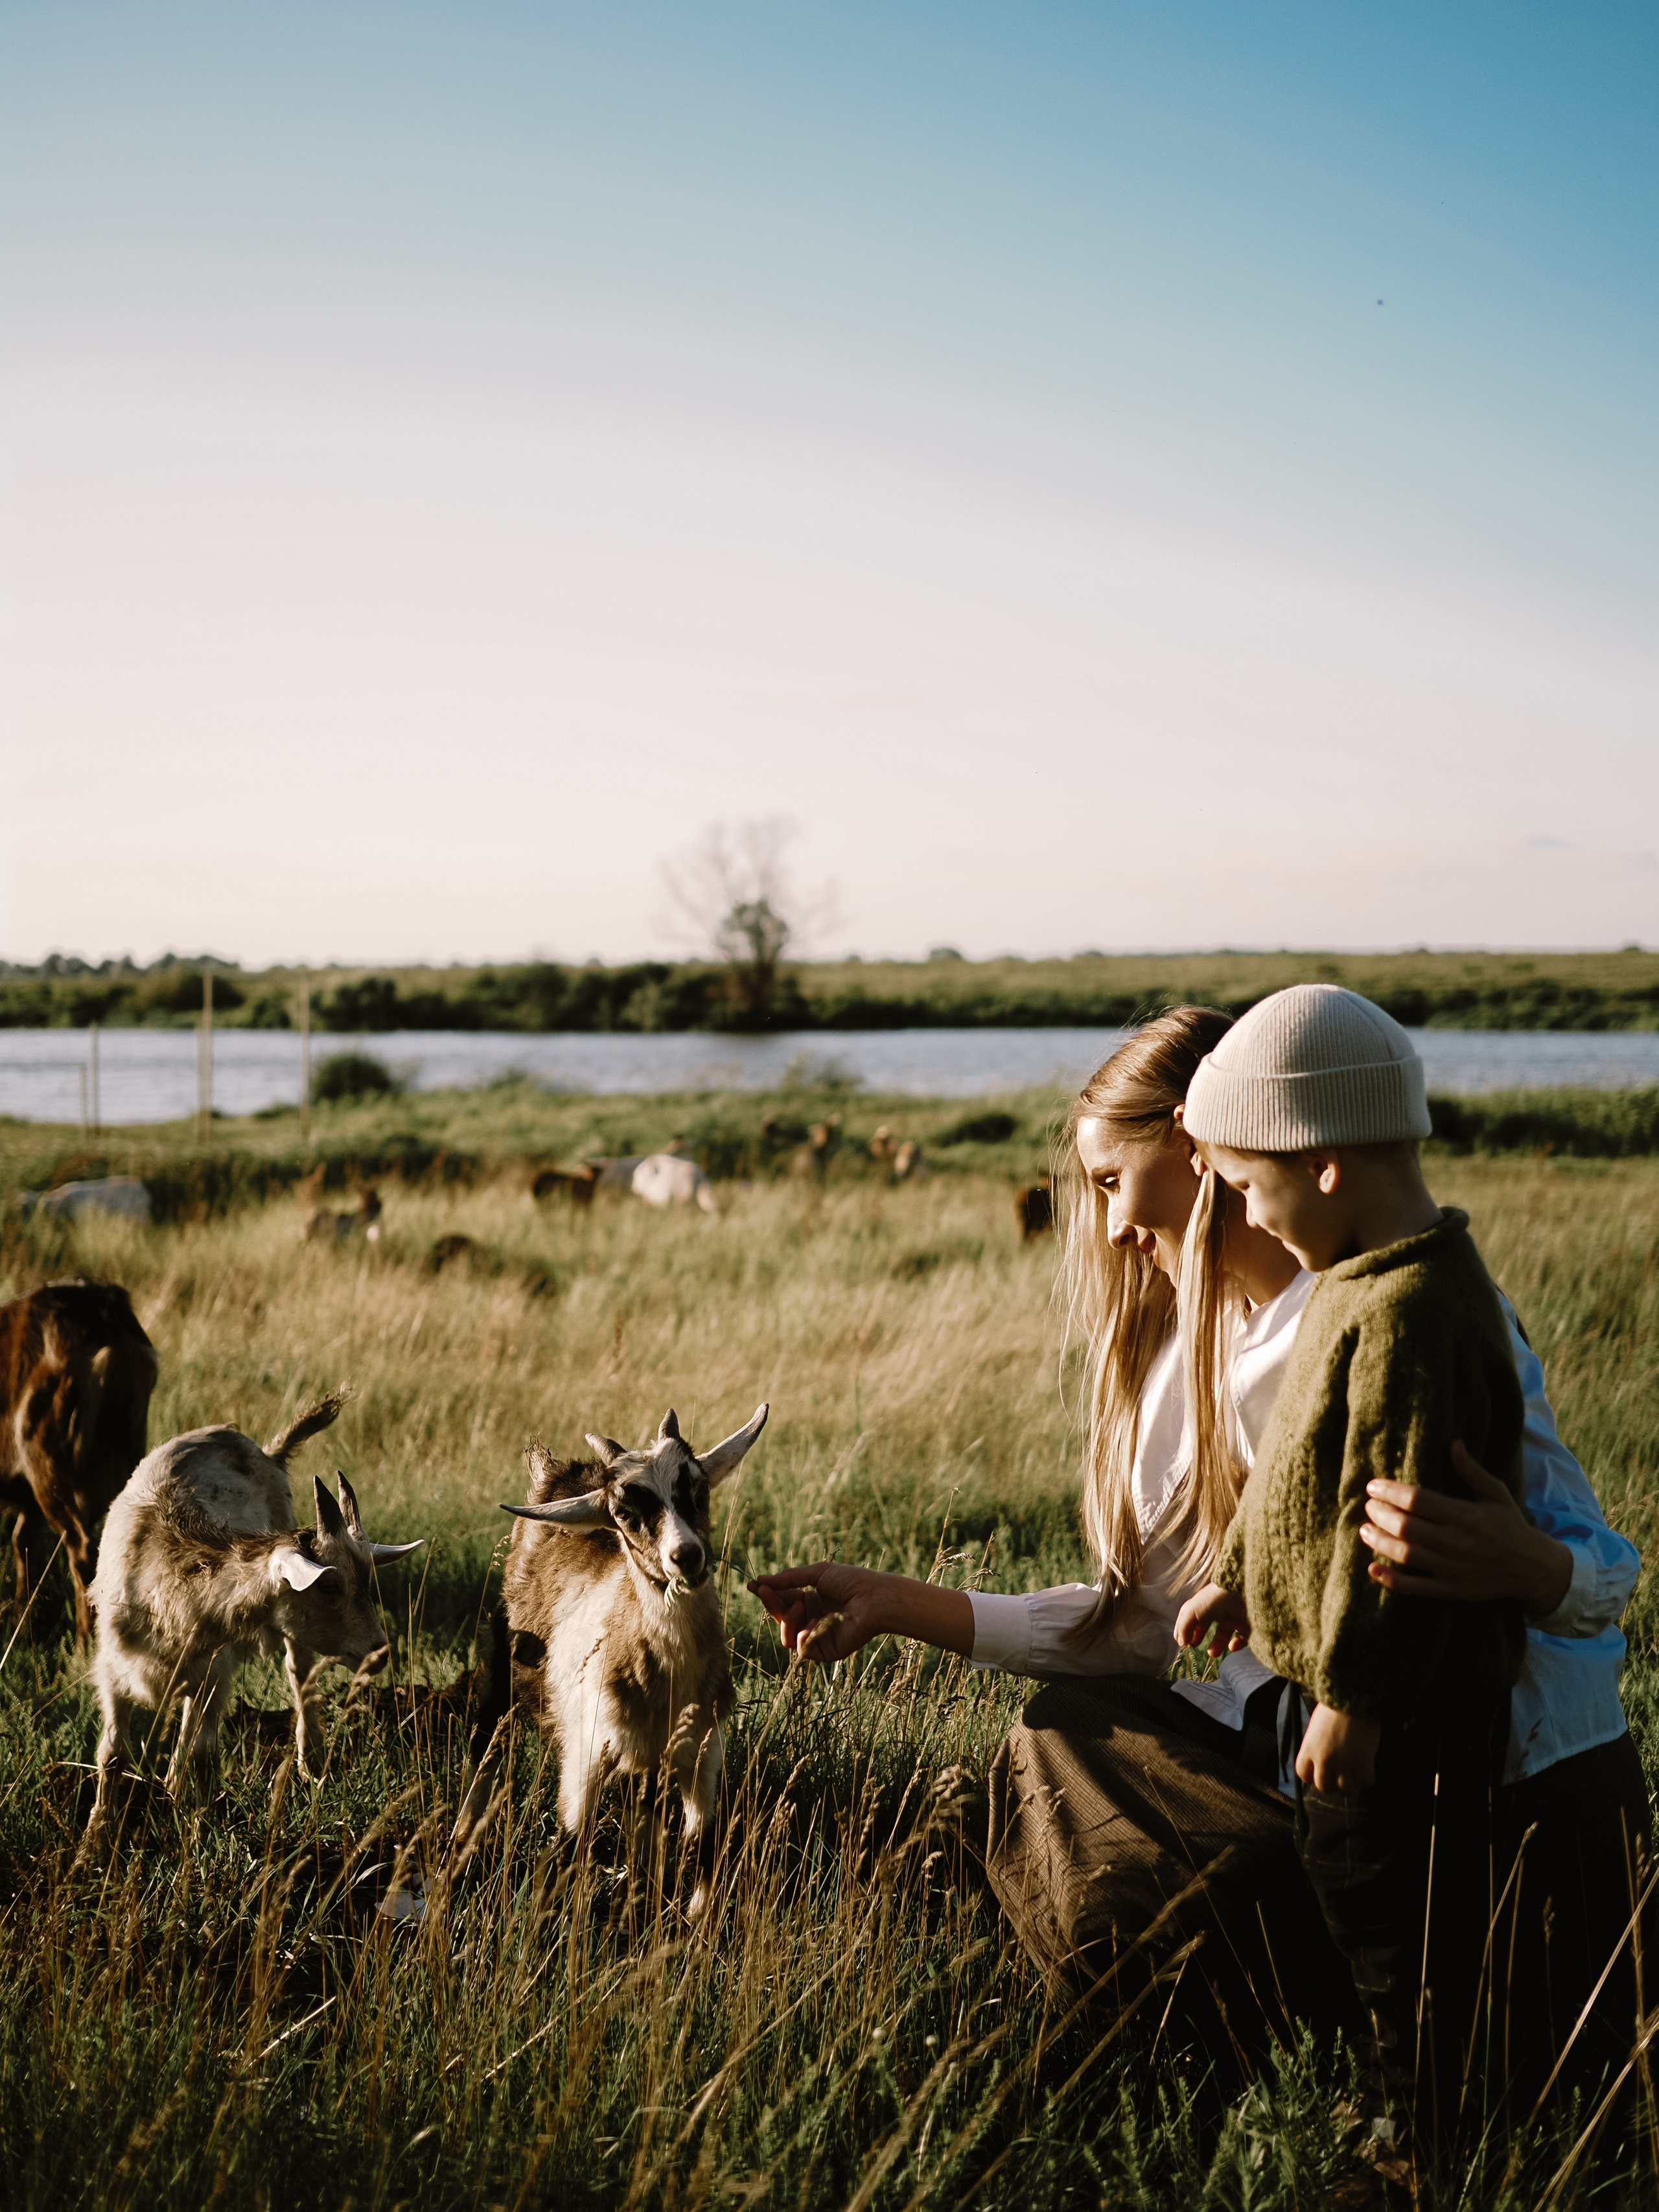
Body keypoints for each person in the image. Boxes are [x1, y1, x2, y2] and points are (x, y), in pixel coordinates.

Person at [748, 1004, 1645, 2140]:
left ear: (1199, 1147)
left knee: (1489, 2077)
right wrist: (897, 1601)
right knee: (1064, 1733)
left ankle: (1394, 2087)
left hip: (1511, 1783)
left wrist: (1531, 1566)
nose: (1114, 1226)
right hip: (1330, 1755)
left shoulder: (1404, 1312)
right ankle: (1294, 2029)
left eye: (1114, 1179)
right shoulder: (1211, 1350)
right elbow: (1150, 1626)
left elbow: (1608, 1575)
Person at [1171, 986, 1527, 2160]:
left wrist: (1355, 1698)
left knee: (1405, 1918)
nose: (1240, 1210)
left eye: (1244, 1182)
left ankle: (1419, 2128)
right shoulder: (1356, 1279)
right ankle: (1395, 2089)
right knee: (1351, 1881)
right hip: (1356, 1698)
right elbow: (1297, 1468)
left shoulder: (1418, 1311)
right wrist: (1235, 1571)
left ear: (1321, 1164)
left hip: (1407, 1717)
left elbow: (1396, 1531)